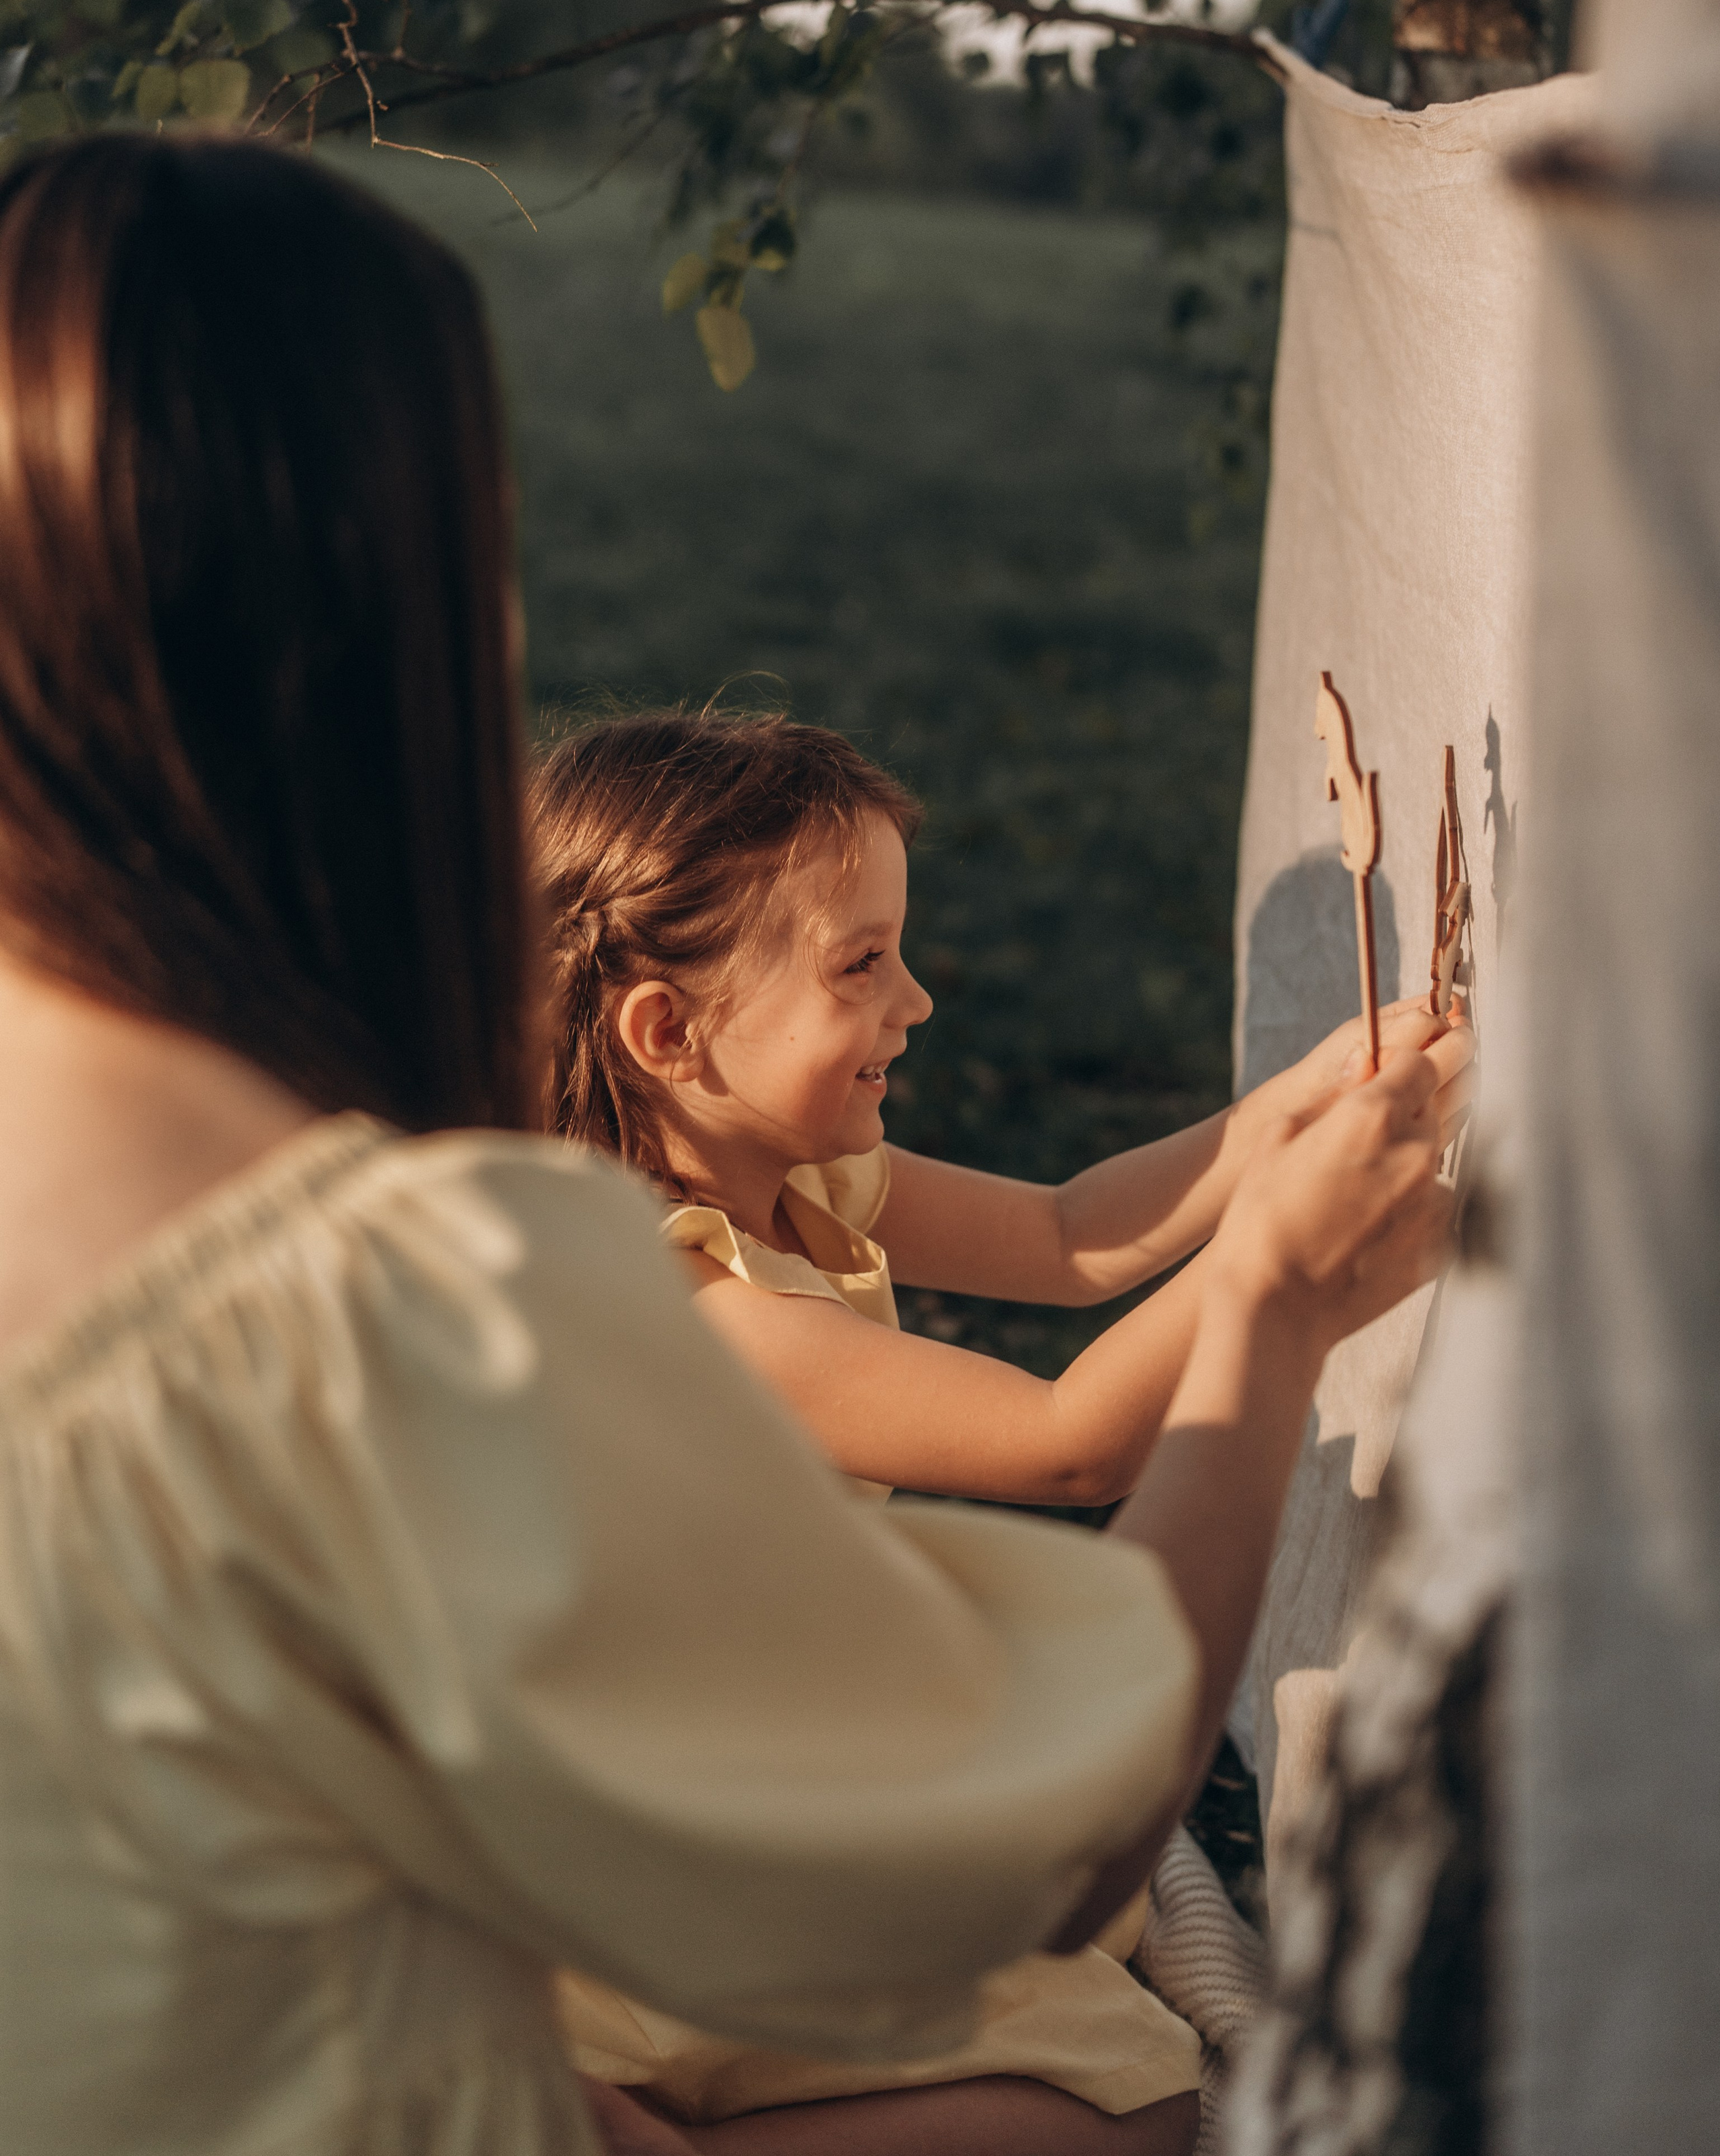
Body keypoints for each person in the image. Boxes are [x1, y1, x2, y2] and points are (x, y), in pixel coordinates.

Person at [0, 132, 1465, 2156]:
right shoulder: (415, 1297)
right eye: (476, 571)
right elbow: (1026, 1835)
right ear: (360, 648)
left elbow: (1054, 1228)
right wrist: (1284, 1295)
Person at [531, 711, 1472, 2147]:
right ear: (667, 1033)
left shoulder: (795, 1174)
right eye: (863, 964)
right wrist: (1286, 1252)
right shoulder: (690, 1315)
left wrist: (1309, 1094)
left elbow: (1070, 1232)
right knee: (1134, 2107)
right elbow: (1068, 1444)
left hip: (774, 1749)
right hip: (669, 1865)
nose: (915, 1001)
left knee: (1115, 2050)